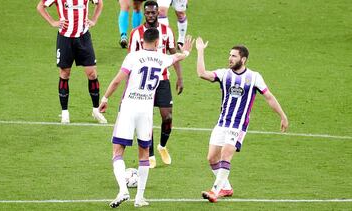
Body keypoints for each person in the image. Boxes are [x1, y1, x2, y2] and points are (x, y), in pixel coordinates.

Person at [99, 28, 193, 208]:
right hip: (146, 112)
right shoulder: (162, 58)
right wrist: (187, 52)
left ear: (142, 41)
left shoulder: (133, 57)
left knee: (117, 151)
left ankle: (123, 190)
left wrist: (105, 98)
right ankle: (139, 198)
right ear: (158, 43)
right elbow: (177, 57)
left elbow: (118, 80)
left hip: (128, 108)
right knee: (144, 154)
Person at [195, 37, 289, 203]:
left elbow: (269, 97)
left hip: (238, 126)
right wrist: (201, 51)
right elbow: (202, 73)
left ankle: (215, 191)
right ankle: (226, 187)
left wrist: (282, 115)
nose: (230, 58)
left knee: (225, 155)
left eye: (234, 56)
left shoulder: (254, 77)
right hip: (222, 123)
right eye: (229, 55)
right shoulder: (224, 74)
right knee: (211, 158)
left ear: (243, 59)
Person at [128, 0, 184, 168]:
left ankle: (162, 146)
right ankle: (150, 154)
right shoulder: (136, 33)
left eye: (154, 12)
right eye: (148, 13)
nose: (151, 16)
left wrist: (180, 77)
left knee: (167, 116)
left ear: (158, 12)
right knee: (146, 119)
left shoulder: (167, 31)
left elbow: (174, 55)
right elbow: (131, 59)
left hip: (163, 81)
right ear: (144, 13)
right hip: (143, 83)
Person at [36, 0, 107, 124]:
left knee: (92, 73)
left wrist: (94, 20)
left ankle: (96, 110)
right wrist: (53, 22)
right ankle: (65, 112)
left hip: (83, 37)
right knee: (64, 73)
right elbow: (40, 6)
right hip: (65, 38)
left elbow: (99, 2)